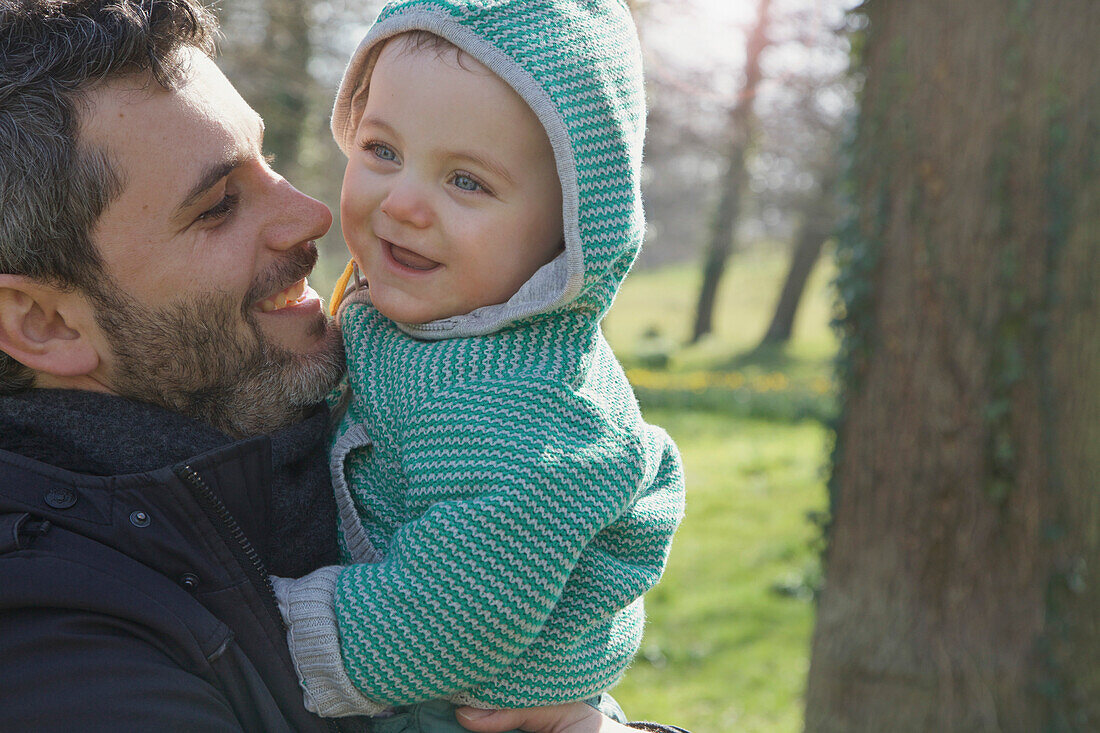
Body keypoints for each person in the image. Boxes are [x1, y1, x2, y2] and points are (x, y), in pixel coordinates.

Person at [0, 2, 684, 731]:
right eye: (219, 204)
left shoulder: (488, 397)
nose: (313, 215)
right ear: (44, 322)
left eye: (269, 162)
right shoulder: (63, 654)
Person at [271, 0, 685, 730]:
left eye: (466, 182)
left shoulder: (522, 397)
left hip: (443, 702)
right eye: (382, 151)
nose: (402, 202)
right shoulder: (438, 323)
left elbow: (457, 607)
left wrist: (274, 630)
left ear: (570, 229)